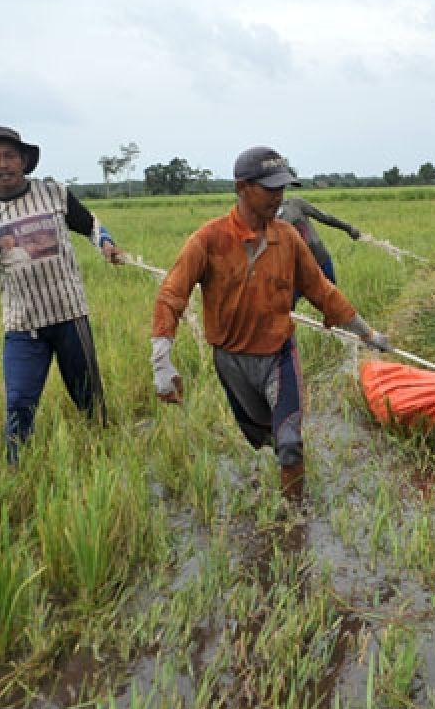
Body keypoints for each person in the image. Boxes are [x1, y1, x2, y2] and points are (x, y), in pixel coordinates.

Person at [150, 146, 392, 501]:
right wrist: (162, 362)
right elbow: (171, 295)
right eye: (270, 188)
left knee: (290, 442)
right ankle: (279, 482)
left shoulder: (287, 237)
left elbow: (321, 290)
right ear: (242, 188)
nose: (278, 195)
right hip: (231, 360)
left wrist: (367, 333)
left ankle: (294, 521)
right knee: (264, 438)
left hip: (279, 354)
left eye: (282, 187)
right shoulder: (209, 239)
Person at [0, 125, 125, 465]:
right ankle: (17, 470)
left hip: (69, 314)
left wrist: (107, 245)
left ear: (24, 160)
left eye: (10, 155)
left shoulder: (54, 193)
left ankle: (105, 461)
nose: (3, 164)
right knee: (18, 402)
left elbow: (91, 225)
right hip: (22, 323)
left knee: (90, 399)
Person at [276, 196, 361, 290]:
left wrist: (348, 228)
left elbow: (324, 217)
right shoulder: (265, 218)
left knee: (330, 296)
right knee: (287, 301)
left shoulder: (295, 204)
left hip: (320, 259)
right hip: (297, 269)